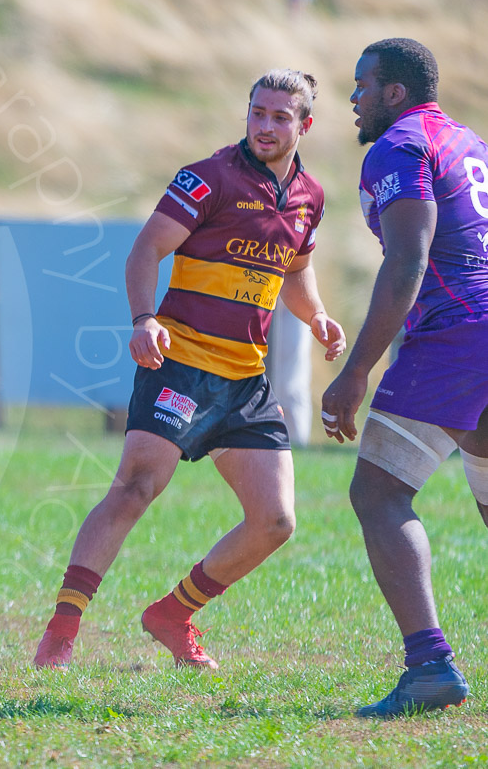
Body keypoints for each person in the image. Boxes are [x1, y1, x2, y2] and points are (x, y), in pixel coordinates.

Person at [32, 69, 346, 670]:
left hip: (245, 381)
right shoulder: (208, 179)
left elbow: (294, 270)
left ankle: (173, 615)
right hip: (179, 364)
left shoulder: (311, 195)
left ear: (305, 125)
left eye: (280, 117)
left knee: (275, 521)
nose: (265, 126)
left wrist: (318, 317)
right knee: (135, 488)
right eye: (257, 112)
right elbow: (146, 248)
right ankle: (62, 630)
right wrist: (144, 317)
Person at [321, 38, 488, 718]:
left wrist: (355, 371)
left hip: (455, 334)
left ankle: (429, 666)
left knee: (379, 491)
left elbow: (407, 261)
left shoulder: (397, 146)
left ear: (393, 92)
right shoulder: (468, 140)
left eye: (360, 85)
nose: (352, 98)